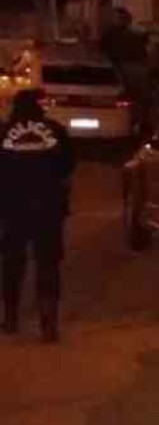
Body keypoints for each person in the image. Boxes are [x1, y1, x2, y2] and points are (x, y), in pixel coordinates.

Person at [1, 89, 75, 342]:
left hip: (13, 208)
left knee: (12, 263)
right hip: (48, 208)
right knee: (48, 263)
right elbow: (68, 165)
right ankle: (48, 323)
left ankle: (11, 318)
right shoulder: (55, 130)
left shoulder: (4, 132)